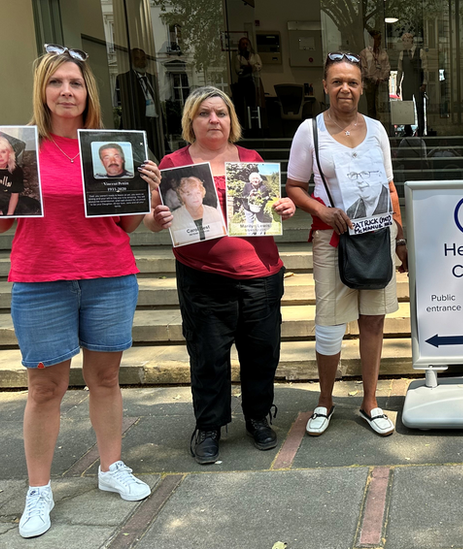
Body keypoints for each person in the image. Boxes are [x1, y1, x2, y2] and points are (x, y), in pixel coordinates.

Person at [0, 44, 158, 539]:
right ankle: (39, 489)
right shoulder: (20, 148)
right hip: (40, 279)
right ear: (43, 91)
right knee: (44, 388)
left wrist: (147, 192)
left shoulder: (108, 148)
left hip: (108, 275)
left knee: (105, 379)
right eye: (57, 82)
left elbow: (127, 223)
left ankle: (110, 467)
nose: (66, 91)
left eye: (75, 82)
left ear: (87, 91)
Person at [144, 86, 296, 464]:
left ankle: (258, 418)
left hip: (259, 273)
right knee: (208, 356)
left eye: (222, 113)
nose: (214, 120)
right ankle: (210, 426)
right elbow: (151, 220)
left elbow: (270, 207)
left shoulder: (251, 159)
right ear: (190, 121)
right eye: (204, 113)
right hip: (203, 277)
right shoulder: (173, 165)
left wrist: (285, 204)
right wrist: (156, 220)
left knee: (261, 353)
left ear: (232, 121)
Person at [286, 51, 408, 437]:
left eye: (352, 82)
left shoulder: (376, 130)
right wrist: (321, 211)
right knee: (330, 324)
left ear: (362, 88)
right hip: (332, 239)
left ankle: (370, 402)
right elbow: (293, 187)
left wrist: (400, 235)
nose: (345, 88)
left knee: (373, 321)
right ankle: (325, 400)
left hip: (376, 237)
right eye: (337, 81)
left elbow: (389, 187)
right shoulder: (310, 131)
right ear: (325, 85)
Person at [114, 48, 162, 157]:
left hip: (154, 126)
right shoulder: (124, 79)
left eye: (143, 58)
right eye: (137, 59)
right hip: (137, 125)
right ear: (131, 61)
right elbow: (120, 104)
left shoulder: (152, 78)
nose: (141, 62)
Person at [168, 175, 226, 246]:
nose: (195, 197)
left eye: (198, 193)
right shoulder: (175, 217)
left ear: (202, 193)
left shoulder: (213, 212)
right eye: (189, 194)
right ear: (182, 197)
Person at [397, 33, 426, 137]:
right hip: (407, 82)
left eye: (406, 41)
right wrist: (397, 85)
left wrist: (424, 83)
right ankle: (407, 129)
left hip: (417, 81)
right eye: (403, 41)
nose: (404, 43)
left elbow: (424, 68)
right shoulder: (402, 54)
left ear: (411, 41)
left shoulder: (420, 52)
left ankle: (421, 129)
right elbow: (399, 70)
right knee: (406, 107)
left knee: (419, 106)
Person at [360, 30, 391, 122]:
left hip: (382, 83)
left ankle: (382, 125)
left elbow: (387, 67)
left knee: (382, 106)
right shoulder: (364, 53)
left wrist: (382, 78)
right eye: (377, 39)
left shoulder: (383, 53)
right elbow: (364, 69)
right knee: (371, 107)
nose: (379, 42)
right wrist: (374, 78)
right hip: (369, 83)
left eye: (380, 39)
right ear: (371, 40)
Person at [234, 36, 263, 129]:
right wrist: (245, 69)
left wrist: (252, 67)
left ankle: (254, 125)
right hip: (242, 82)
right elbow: (238, 70)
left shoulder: (255, 56)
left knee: (253, 103)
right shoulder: (238, 57)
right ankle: (243, 126)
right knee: (241, 105)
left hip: (253, 81)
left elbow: (259, 66)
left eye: (247, 44)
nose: (245, 46)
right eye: (243, 44)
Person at [242, 171, 273, 235]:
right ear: (250, 181)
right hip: (248, 207)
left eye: (257, 178)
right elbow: (243, 196)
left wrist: (261, 197)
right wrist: (250, 195)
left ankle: (260, 236)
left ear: (260, 180)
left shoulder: (263, 187)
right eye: (253, 179)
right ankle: (250, 236)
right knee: (249, 223)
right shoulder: (247, 186)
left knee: (260, 222)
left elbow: (266, 197)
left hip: (259, 207)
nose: (255, 180)